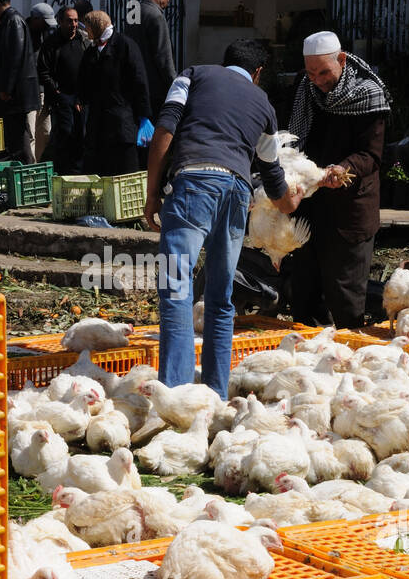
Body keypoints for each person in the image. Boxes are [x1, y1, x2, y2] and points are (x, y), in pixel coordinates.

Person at [144, 39, 305, 398]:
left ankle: (176, 395)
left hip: (194, 183)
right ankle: (215, 394)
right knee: (220, 297)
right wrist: (290, 203)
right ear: (258, 73)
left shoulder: (193, 76)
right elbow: (273, 174)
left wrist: (152, 194)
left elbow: (164, 131)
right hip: (236, 193)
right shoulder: (263, 104)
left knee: (176, 289)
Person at [285, 31, 391, 329]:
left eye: (324, 72)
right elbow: (296, 138)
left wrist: (341, 170)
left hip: (349, 214)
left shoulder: (368, 93)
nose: (317, 79)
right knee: (304, 298)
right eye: (310, 72)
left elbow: (371, 156)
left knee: (345, 299)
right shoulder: (306, 88)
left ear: (341, 60)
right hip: (309, 211)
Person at [77, 10, 153, 176]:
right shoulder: (92, 51)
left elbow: (139, 81)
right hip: (98, 123)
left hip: (121, 124)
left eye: (88, 27)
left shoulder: (125, 45)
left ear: (96, 27)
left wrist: (144, 115)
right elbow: (84, 82)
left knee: (124, 172)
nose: (86, 31)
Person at [0, 0, 39, 160]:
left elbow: (14, 58)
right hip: (11, 96)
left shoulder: (13, 21)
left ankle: (27, 169)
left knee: (19, 137)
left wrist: (7, 88)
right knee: (12, 137)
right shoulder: (7, 22)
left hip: (14, 96)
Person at [37, 5, 90, 174]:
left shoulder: (83, 40)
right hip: (62, 98)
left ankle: (79, 171)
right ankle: (64, 171)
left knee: (81, 134)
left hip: (82, 97)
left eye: (75, 20)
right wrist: (56, 92)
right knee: (65, 133)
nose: (73, 24)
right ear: (60, 22)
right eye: (69, 21)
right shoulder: (51, 43)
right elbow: (43, 71)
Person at [124, 0, 177, 111]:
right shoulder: (157, 16)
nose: (168, 2)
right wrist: (173, 83)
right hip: (152, 88)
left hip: (132, 81)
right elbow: (163, 57)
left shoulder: (133, 11)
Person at [26, 3, 57, 163]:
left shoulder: (45, 34)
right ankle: (32, 168)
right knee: (30, 133)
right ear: (35, 19)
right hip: (29, 92)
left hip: (43, 92)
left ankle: (42, 167)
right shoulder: (22, 33)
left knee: (45, 132)